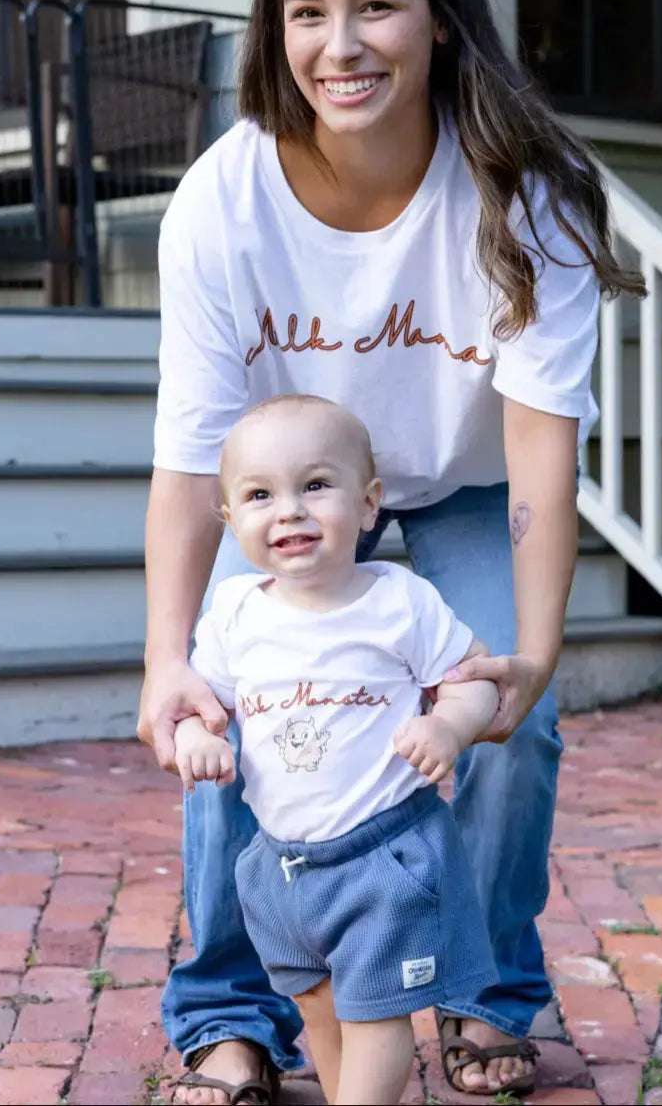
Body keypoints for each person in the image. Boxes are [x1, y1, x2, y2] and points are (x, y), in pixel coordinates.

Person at [138, 0, 645, 1105]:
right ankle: (226, 1007)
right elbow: (190, 455)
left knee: (509, 732)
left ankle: (484, 993)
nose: (339, 44)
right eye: (304, 12)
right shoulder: (223, 199)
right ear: (274, 29)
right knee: (233, 710)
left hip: (467, 484)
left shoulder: (526, 194)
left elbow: (537, 450)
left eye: (376, 5)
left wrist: (527, 656)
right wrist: (166, 655)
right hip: (297, 491)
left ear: (437, 16)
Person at [173, 394, 500, 1104]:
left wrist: (449, 726)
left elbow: (474, 680)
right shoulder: (233, 611)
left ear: (368, 503)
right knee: (319, 1005)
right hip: (280, 865)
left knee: (375, 1012)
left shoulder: (398, 601)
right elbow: (203, 702)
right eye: (260, 495)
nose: (288, 510)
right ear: (231, 520)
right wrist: (196, 735)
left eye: (316, 485)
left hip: (384, 855)